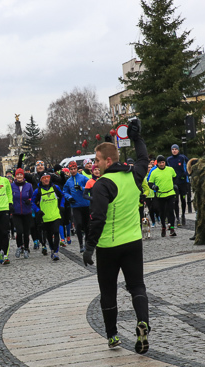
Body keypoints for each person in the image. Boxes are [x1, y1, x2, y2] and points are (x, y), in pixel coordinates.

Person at [83, 119, 150, 353]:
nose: (95, 164)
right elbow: (144, 160)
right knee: (137, 286)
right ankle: (143, 322)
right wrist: (137, 138)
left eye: (97, 160)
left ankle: (112, 336)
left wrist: (89, 247)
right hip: (133, 242)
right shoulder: (134, 175)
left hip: (109, 247)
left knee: (108, 291)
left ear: (108, 161)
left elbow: (97, 218)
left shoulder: (102, 184)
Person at [33, 172, 65, 260]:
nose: (46, 179)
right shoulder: (38, 191)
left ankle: (56, 252)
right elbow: (32, 202)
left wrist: (62, 205)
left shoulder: (55, 187)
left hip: (55, 215)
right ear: (41, 180)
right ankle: (52, 249)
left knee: (56, 232)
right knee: (49, 235)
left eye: (47, 177)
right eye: (44, 178)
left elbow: (62, 196)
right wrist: (38, 210)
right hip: (45, 217)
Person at [63, 161, 90, 252]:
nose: (73, 171)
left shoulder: (83, 178)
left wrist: (82, 188)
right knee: (78, 224)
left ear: (77, 169)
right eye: (71, 169)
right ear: (69, 170)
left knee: (86, 226)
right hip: (75, 206)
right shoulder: (68, 181)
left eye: (74, 169)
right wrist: (69, 197)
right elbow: (65, 192)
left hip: (86, 205)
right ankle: (81, 244)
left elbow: (90, 186)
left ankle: (86, 243)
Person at [148, 155, 177, 237]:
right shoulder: (154, 172)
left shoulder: (170, 169)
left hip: (170, 193)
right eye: (160, 162)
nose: (162, 164)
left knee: (171, 211)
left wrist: (174, 184)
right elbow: (150, 183)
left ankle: (172, 228)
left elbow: (175, 177)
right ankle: (163, 226)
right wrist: (154, 187)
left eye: (163, 162)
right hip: (160, 195)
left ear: (165, 162)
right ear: (157, 163)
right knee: (162, 212)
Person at [11, 168, 34, 259]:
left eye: (21, 175)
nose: (19, 176)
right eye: (18, 175)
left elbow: (33, 197)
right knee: (19, 231)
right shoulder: (12, 186)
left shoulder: (28, 186)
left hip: (26, 212)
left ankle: (26, 248)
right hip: (16, 212)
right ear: (15, 176)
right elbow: (9, 197)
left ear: (23, 176)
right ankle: (19, 246)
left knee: (26, 232)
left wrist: (29, 200)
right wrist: (10, 205)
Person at [166, 144, 189, 226]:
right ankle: (177, 217)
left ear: (178, 150)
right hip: (174, 183)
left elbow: (189, 166)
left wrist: (185, 174)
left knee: (183, 200)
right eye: (173, 149)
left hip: (183, 182)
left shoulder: (183, 158)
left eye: (176, 149)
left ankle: (183, 215)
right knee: (175, 201)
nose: (174, 151)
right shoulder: (169, 159)